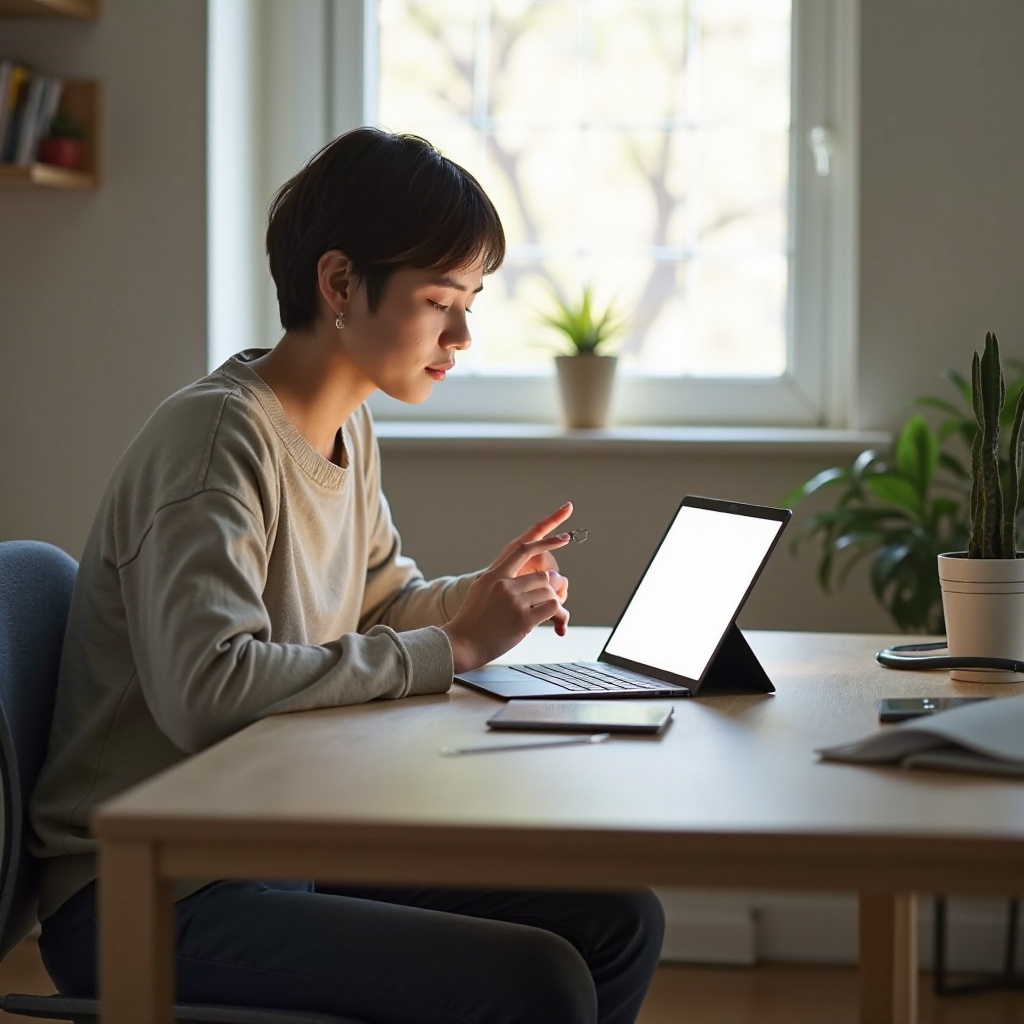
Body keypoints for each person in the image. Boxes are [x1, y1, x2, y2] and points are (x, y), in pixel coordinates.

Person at [29, 127, 664, 1024]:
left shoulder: (346, 427)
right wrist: (452, 645)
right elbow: (206, 688)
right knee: (539, 981)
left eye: (472, 300)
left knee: (619, 920)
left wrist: (485, 602)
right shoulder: (218, 441)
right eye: (442, 299)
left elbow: (379, 603)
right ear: (337, 284)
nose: (464, 334)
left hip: (265, 846)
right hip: (147, 891)